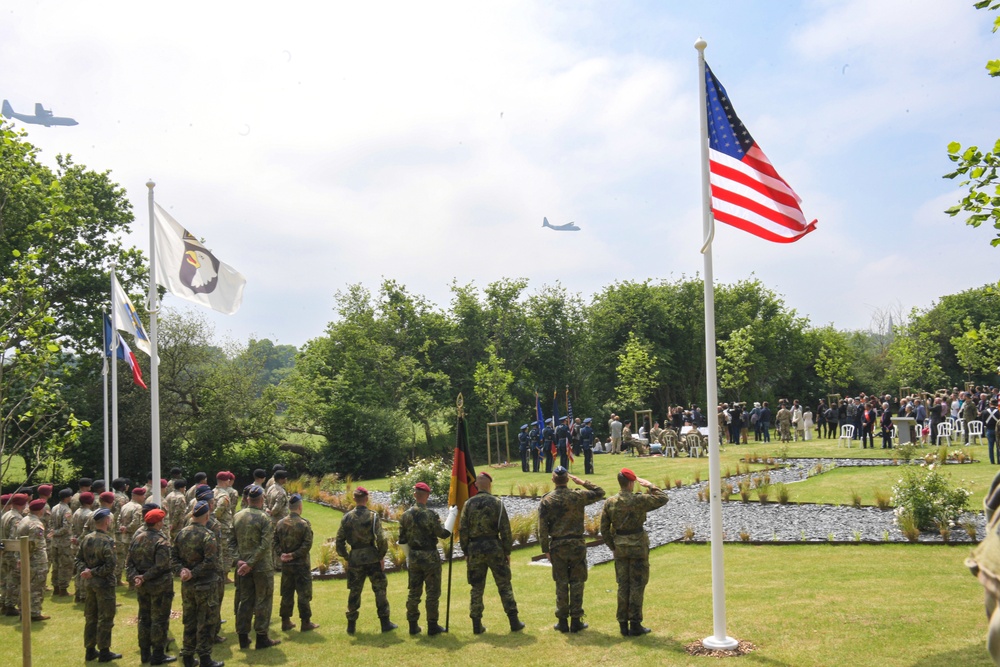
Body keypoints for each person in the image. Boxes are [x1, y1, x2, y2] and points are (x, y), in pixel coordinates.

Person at [600, 468, 669, 636]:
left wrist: (613, 546)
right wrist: (650, 485)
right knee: (637, 585)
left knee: (623, 585)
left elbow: (604, 529)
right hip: (638, 546)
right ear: (631, 483)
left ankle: (623, 624)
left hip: (621, 547)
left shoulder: (610, 502)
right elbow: (663, 498)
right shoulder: (639, 500)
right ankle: (635, 624)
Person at [537, 466, 604, 633]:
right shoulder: (578, 495)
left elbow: (542, 529)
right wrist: (582, 482)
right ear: (567, 479)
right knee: (577, 582)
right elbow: (600, 492)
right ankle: (576, 619)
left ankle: (562, 621)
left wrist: (546, 549)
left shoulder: (547, 500)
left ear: (553, 480)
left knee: (561, 582)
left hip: (558, 546)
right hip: (576, 544)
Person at [459, 472, 523, 634]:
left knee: (476, 587)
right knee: (504, 584)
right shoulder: (497, 503)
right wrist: (506, 551)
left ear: (476, 485)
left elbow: (463, 530)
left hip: (474, 548)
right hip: (494, 547)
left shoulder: (468, 504)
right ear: (489, 485)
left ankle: (476, 624)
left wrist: (466, 550)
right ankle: (514, 621)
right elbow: (505, 530)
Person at [335, 486, 396, 634]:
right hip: (372, 557)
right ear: (366, 499)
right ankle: (385, 623)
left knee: (354, 591)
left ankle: (351, 625)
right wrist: (380, 556)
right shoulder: (373, 516)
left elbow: (339, 541)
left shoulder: (347, 518)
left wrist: (347, 557)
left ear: (355, 499)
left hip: (355, 557)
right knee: (380, 589)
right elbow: (381, 538)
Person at [172, 501, 224, 667]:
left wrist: (183, 571)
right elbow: (211, 562)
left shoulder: (181, 534)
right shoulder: (208, 535)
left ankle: (188, 656)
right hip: (206, 586)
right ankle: (205, 658)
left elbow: (173, 558)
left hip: (187, 586)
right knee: (207, 622)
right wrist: (192, 573)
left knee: (190, 620)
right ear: (207, 516)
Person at [397, 482, 452, 636]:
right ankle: (432, 626)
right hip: (430, 557)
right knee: (432, 592)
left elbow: (401, 540)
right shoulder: (431, 515)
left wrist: (410, 556)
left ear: (415, 495)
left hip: (414, 556)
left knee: (414, 592)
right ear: (427, 496)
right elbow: (443, 534)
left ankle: (413, 626)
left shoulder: (405, 515)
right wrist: (452, 519)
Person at [230, 485, 281, 650]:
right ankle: (261, 637)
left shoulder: (237, 516)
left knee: (245, 600)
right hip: (261, 567)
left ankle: (243, 638)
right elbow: (265, 544)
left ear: (247, 499)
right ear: (262, 499)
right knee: (263, 600)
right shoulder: (264, 518)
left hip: (243, 566)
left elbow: (230, 542)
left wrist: (239, 561)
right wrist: (250, 563)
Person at [126, 508, 176, 665]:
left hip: (143, 586)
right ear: (159, 523)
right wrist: (144, 577)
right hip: (159, 586)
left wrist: (136, 578)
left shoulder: (137, 538)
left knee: (144, 619)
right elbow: (161, 565)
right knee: (159, 620)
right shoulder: (161, 541)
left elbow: (129, 563)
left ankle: (145, 653)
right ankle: (158, 655)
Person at [75, 508, 121, 662]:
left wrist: (86, 571)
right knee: (105, 617)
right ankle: (104, 651)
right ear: (107, 521)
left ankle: (90, 649)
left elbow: (78, 560)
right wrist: (92, 572)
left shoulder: (87, 538)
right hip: (104, 584)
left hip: (89, 583)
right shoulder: (107, 541)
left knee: (91, 616)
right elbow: (110, 565)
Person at [275, 494, 318, 633]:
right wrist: (293, 555)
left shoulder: (280, 523)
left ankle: (285, 621)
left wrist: (282, 554)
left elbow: (274, 542)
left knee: (286, 592)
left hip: (286, 565)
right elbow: (307, 545)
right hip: (301, 565)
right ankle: (305, 622)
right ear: (300, 506)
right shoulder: (304, 524)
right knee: (303, 593)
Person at [18, 498, 50, 621]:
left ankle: (24, 610)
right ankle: (34, 612)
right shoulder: (36, 525)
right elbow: (33, 545)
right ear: (41, 510)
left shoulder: (24, 519)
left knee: (26, 586)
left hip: (26, 559)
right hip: (36, 561)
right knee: (36, 586)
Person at [1, 493, 28, 615]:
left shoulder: (6, 514)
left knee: (5, 578)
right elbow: (15, 538)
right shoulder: (16, 518)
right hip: (12, 552)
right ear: (22, 504)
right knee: (14, 579)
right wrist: (18, 556)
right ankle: (10, 606)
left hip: (4, 551)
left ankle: (4, 602)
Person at [71, 491, 95, 602]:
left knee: (79, 570)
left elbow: (72, 527)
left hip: (76, 542)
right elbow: (89, 531)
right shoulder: (90, 514)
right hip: (86, 544)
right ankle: (84, 595)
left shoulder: (76, 512)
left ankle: (78, 593)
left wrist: (75, 539)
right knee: (86, 569)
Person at [50, 487, 75, 597]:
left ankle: (55, 587)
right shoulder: (67, 510)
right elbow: (66, 527)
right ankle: (63, 588)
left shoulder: (54, 508)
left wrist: (53, 533)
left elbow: (51, 524)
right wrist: (56, 532)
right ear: (67, 498)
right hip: (64, 542)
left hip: (54, 542)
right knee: (65, 565)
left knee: (56, 564)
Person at [265, 470, 289, 572]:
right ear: (281, 479)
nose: (286, 479)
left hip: (271, 519)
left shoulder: (270, 488)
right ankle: (279, 564)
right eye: (285, 478)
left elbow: (265, 501)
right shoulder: (281, 492)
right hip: (280, 520)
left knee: (272, 542)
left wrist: (267, 510)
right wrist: (272, 512)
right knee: (280, 542)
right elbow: (278, 507)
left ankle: (272, 562)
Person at [985, 398, 999, 465]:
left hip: (989, 429)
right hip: (998, 430)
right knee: (998, 446)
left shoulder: (985, 412)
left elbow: (983, 422)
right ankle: (999, 460)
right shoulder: (998, 412)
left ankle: (992, 461)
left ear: (990, 403)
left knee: (990, 446)